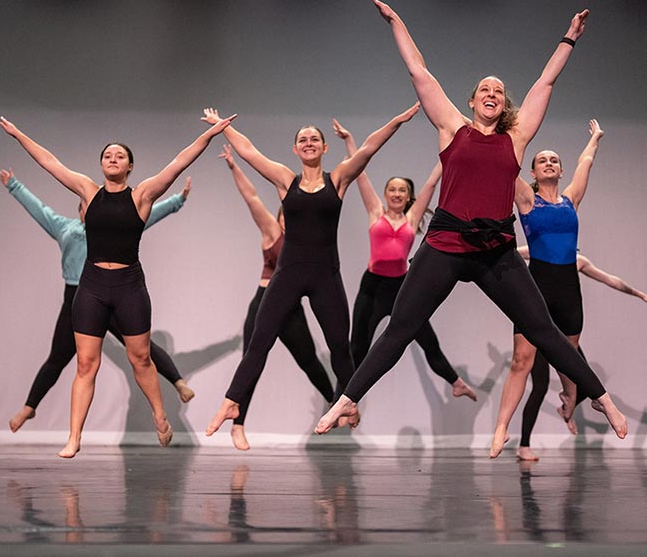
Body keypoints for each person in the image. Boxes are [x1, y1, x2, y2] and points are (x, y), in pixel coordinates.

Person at [315, 0, 628, 439]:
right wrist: (396, 22)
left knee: (544, 330)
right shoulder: (452, 128)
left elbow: (544, 84)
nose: (492, 94)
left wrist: (569, 40)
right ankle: (345, 400)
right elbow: (419, 72)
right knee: (400, 328)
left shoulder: (516, 139)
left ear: (504, 105)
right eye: (485, 88)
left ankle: (603, 401)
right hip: (445, 244)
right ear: (472, 99)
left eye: (499, 91)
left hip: (495, 251)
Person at [0, 113, 235, 458]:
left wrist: (211, 135)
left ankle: (159, 415)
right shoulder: (87, 190)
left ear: (130, 167)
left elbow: (178, 161)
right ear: (101, 164)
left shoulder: (142, 196)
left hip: (128, 286)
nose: (112, 159)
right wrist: (20, 134)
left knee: (140, 358)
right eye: (107, 155)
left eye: (119, 156)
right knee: (85, 364)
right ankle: (74, 436)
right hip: (92, 285)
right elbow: (49, 161)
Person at [204, 102, 420, 437]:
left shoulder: (340, 179)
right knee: (259, 341)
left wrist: (397, 121)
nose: (308, 143)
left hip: (326, 277)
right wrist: (222, 126)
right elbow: (248, 151)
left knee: (340, 347)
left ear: (324, 147)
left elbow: (369, 147)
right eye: (302, 139)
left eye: (314, 139)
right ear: (295, 148)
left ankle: (347, 402)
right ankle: (232, 400)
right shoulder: (284, 179)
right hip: (288, 274)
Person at [0, 169, 196, 434]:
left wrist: (178, 200)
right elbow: (40, 209)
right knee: (58, 358)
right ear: (83, 210)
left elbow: (152, 213)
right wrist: (14, 185)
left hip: (112, 292)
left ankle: (178, 381)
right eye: (84, 207)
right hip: (79, 300)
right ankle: (29, 407)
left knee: (140, 349)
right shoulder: (64, 228)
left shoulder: (115, 225)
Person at [331, 119, 477, 402]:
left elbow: (433, 182)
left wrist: (453, 151)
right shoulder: (376, 212)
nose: (397, 194)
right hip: (372, 288)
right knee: (357, 347)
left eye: (402, 191)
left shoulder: (412, 217)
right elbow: (359, 174)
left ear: (409, 196)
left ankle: (456, 382)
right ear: (386, 195)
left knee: (427, 340)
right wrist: (350, 141)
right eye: (392, 190)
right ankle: (341, 401)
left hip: (401, 288)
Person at [490, 119, 603, 458]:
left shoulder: (571, 200)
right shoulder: (526, 199)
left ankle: (569, 403)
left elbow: (586, 163)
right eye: (543, 161)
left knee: (567, 359)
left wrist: (595, 138)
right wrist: (496, 134)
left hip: (569, 288)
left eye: (555, 160)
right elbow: (502, 166)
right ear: (534, 173)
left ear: (560, 169)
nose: (550, 163)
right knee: (521, 360)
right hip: (535, 285)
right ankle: (501, 429)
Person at [219, 144, 334, 450]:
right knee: (252, 361)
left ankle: (337, 403)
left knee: (309, 361)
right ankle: (238, 426)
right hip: (264, 302)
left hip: (291, 309)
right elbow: (252, 197)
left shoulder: (305, 238)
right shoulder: (273, 231)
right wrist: (234, 167)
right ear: (285, 216)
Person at [504, 243, 647, 461]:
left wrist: (639, 294)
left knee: (586, 380)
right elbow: (508, 251)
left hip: (561, 337)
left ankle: (566, 408)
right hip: (539, 332)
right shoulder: (537, 250)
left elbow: (611, 280)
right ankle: (524, 446)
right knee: (539, 386)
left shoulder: (578, 262)